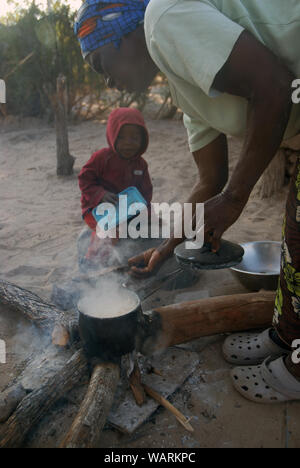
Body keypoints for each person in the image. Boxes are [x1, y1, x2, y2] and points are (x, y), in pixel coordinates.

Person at [75, 0, 300, 402]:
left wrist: (234, 199)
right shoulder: (186, 85)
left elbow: (274, 85)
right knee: (297, 242)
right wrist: (164, 251)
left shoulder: (162, 17)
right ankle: (288, 339)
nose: (106, 80)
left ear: (123, 34)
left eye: (98, 63)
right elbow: (209, 181)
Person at [78, 106, 153, 266]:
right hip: (98, 209)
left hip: (127, 209)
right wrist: (100, 194)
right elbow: (85, 179)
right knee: (108, 232)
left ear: (143, 140)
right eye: (121, 138)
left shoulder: (140, 164)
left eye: (134, 138)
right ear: (112, 136)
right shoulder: (101, 158)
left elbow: (146, 191)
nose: (128, 144)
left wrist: (146, 210)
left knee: (149, 228)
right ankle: (91, 263)